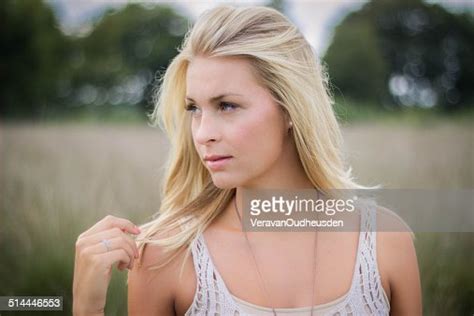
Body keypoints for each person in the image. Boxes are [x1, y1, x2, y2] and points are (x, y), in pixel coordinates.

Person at [73, 5, 422, 316]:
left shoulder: (385, 241)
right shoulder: (165, 257)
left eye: (227, 105)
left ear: (291, 109)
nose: (202, 133)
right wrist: (88, 307)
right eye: (194, 108)